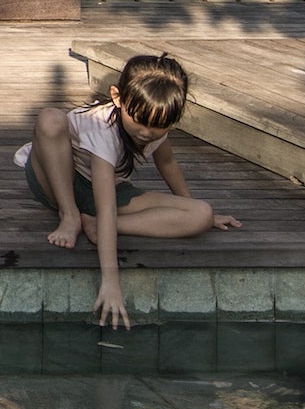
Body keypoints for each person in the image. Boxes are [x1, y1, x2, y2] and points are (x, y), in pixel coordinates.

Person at [18, 51, 240, 329]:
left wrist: (194, 210)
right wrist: (111, 282)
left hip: (111, 188)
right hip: (57, 179)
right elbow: (107, 205)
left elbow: (167, 161)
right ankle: (71, 215)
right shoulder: (103, 130)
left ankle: (95, 224)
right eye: (140, 120)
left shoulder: (154, 118)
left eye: (158, 125)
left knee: (202, 213)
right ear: (118, 97)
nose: (147, 132)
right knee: (50, 118)